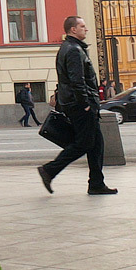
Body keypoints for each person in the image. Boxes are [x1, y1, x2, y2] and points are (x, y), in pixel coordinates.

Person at [38, 17, 116, 196]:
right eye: (82, 26)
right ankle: (49, 170)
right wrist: (85, 104)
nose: (86, 29)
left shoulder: (69, 48)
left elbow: (64, 78)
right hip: (80, 105)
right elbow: (77, 80)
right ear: (73, 29)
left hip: (77, 103)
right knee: (84, 143)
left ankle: (96, 183)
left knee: (97, 144)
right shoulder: (74, 50)